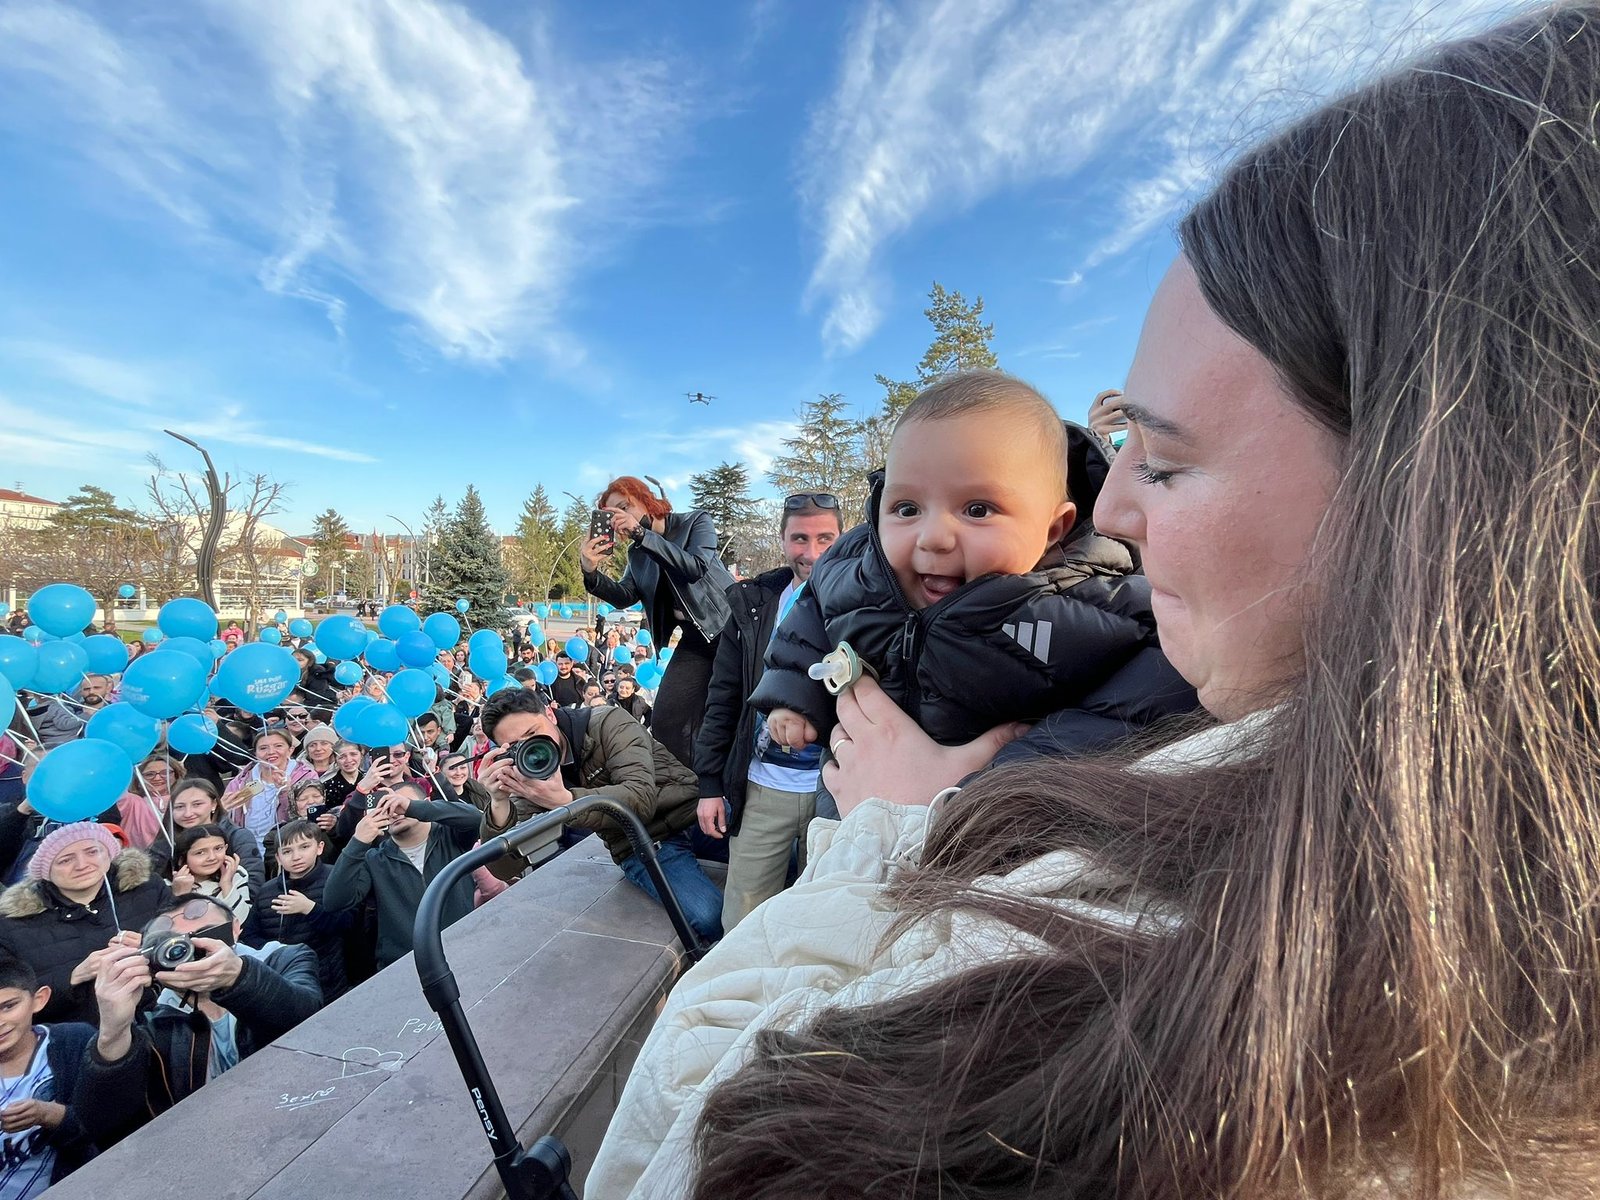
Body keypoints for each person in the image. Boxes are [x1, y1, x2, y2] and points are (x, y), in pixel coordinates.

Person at [589, 9, 1600, 1196]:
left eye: (1164, 462)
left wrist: (908, 823)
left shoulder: (1220, 1005)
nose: (1113, 510)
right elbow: (807, 638)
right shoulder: (1337, 802)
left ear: (1457, 488)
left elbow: (687, 1139)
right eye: (900, 511)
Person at [752, 373, 1194, 812]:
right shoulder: (858, 565)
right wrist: (794, 696)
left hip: (978, 825)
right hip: (846, 792)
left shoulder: (1097, 607)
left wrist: (981, 785)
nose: (933, 537)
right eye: (907, 508)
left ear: (1052, 529)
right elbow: (811, 615)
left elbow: (1132, 711)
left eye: (977, 509)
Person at [694, 493, 842, 931]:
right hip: (761, 788)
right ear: (782, 540)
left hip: (836, 788)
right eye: (800, 538)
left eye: (824, 539)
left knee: (824, 920)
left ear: (843, 539)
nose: (811, 552)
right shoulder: (753, 605)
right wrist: (709, 784)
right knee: (742, 920)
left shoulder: (869, 605)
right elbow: (722, 697)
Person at [477, 687, 722, 944]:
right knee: (709, 917)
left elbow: (640, 799)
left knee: (767, 860)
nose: (533, 748)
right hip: (640, 845)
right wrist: (498, 802)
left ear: (550, 714)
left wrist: (564, 800)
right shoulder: (528, 776)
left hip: (693, 811)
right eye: (516, 747)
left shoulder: (606, 723)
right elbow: (504, 869)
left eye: (532, 733)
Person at [76, 894, 322, 1141]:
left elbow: (311, 1024)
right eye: (174, 948)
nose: (192, 953)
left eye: (205, 937)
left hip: (305, 1111)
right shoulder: (154, 1019)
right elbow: (104, 1126)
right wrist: (113, 1031)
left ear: (235, 928)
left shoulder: (284, 959)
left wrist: (239, 978)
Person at [580, 475, 736, 771]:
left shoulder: (694, 522)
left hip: (732, 628)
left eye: (625, 506)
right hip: (695, 639)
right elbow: (626, 595)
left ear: (645, 499)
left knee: (732, 714)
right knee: (666, 718)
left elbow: (695, 567)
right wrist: (590, 571)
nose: (621, 516)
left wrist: (640, 532)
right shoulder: (637, 553)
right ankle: (694, 787)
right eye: (612, 513)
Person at [0, 822, 172, 1026]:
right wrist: (73, 977)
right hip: (78, 1040)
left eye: (92, 851)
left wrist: (154, 950)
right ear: (46, 871)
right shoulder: (12, 925)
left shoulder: (148, 888)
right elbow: (10, 1003)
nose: (82, 865)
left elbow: (190, 947)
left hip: (161, 1025)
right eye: (65, 860)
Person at [321, 782, 482, 969]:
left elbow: (476, 819)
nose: (395, 811)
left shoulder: (451, 836)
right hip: (406, 966)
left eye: (400, 804)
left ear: (425, 804)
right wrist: (357, 842)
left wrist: (411, 808)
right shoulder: (374, 859)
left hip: (467, 949)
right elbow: (334, 901)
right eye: (387, 807)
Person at [0, 956, 98, 1195]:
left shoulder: (72, 1043)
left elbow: (109, 1124)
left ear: (38, 999)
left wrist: (51, 1115)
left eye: (8, 1006)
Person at [244, 820, 351, 1002]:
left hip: (329, 982)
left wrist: (310, 909)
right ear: (278, 858)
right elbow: (249, 936)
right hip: (282, 981)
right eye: (287, 851)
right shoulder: (267, 891)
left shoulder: (335, 879)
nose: (296, 857)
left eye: (304, 847)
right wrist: (275, 952)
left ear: (319, 847)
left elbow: (348, 925)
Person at [146, 778, 266, 891]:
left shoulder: (237, 837)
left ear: (214, 804)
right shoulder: (165, 844)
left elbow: (254, 884)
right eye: (180, 807)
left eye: (197, 804)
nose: (188, 813)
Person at [221, 725, 316, 853]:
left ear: (290, 750)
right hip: (248, 850)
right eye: (263, 748)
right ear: (255, 753)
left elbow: (308, 816)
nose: (271, 752)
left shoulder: (306, 776)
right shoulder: (242, 779)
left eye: (278, 746)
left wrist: (285, 792)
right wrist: (222, 810)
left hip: (288, 848)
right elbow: (227, 818)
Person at [167, 825, 251, 927]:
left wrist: (227, 884)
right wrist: (180, 894)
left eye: (218, 848)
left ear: (226, 848)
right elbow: (168, 927)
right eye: (200, 852)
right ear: (182, 858)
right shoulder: (168, 883)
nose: (212, 857)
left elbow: (241, 921)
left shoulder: (236, 873)